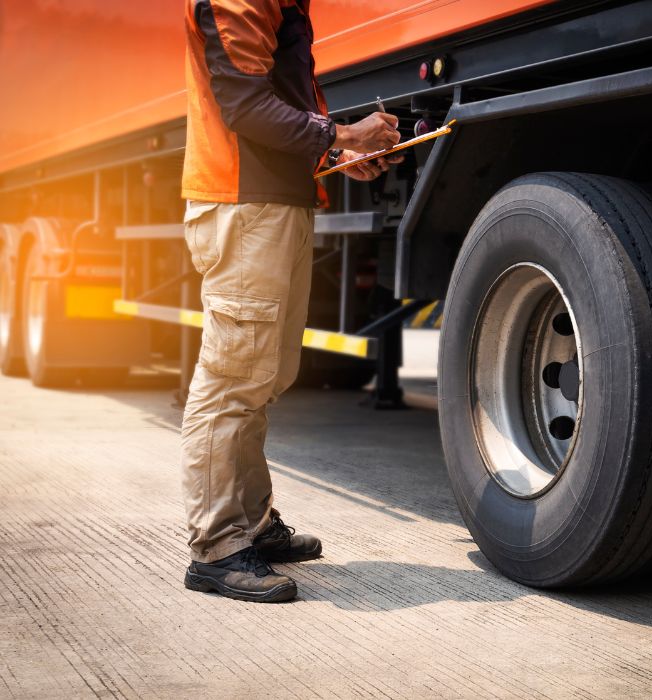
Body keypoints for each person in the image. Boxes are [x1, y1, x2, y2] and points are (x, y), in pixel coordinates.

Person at [179, 0, 402, 603]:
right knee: (232, 379)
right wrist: (340, 134)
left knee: (264, 375)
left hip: (273, 202)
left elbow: (278, 97)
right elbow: (244, 103)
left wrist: (335, 153)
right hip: (244, 205)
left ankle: (251, 523)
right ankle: (216, 548)